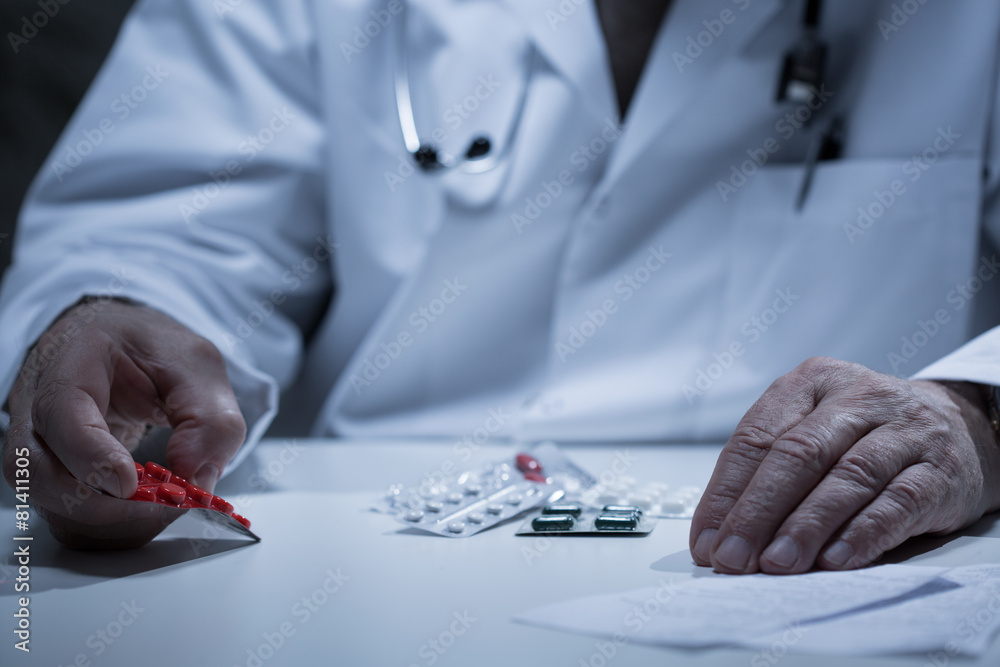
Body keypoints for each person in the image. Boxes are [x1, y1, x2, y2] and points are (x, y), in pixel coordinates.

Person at [1, 0, 999, 572]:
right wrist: (113, 331)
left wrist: (978, 414)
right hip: (358, 569)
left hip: (821, 579)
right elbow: (166, 226)